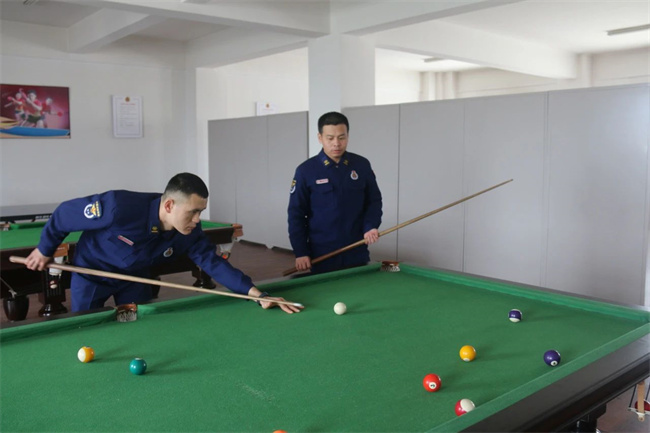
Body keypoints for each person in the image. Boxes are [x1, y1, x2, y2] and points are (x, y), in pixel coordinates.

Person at [25, 173, 302, 314]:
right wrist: (44, 249)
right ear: (169, 205)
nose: (197, 219)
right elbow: (64, 214)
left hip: (135, 278)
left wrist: (256, 294)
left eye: (201, 212)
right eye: (193, 212)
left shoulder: (190, 231)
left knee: (139, 326)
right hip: (92, 273)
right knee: (85, 328)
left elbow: (213, 263)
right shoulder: (119, 207)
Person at [287, 111, 382, 274]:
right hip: (322, 253)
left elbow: (373, 201)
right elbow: (296, 214)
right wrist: (301, 251)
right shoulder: (306, 171)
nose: (336, 144)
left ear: (348, 136)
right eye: (330, 138)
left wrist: (371, 226)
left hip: (357, 249)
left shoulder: (361, 165)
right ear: (320, 138)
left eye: (341, 137)